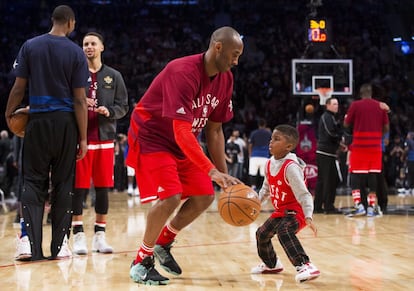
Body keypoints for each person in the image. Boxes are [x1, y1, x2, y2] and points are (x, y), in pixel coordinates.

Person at [126, 26, 243, 285]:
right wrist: (210, 169)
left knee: (204, 195)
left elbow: (214, 130)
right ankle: (141, 261)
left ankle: (163, 242)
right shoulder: (181, 71)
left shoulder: (226, 79)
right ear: (218, 47)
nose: (236, 62)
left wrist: (222, 178)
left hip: (183, 141)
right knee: (170, 196)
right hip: (152, 136)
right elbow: (181, 130)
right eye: (234, 55)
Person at [5, 5, 88, 260]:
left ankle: (30, 243)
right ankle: (60, 246)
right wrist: (83, 138)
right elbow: (80, 101)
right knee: (63, 183)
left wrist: (9, 115)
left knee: (32, 181)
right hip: (65, 125)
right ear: (71, 23)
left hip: (38, 122)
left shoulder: (30, 46)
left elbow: (19, 88)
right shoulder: (75, 52)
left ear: (53, 20)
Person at [71, 32, 129, 255]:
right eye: (85, 44)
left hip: (105, 139)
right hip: (80, 140)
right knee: (79, 189)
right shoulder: (75, 75)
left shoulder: (113, 76)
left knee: (103, 189)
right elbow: (67, 101)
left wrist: (111, 111)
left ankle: (99, 235)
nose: (89, 47)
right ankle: (77, 236)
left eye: (93, 43)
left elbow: (123, 105)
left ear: (102, 47)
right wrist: (79, 102)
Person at [250, 124, 320, 283]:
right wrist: (256, 203)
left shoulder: (291, 167)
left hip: (297, 212)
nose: (271, 142)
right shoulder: (269, 163)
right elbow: (266, 189)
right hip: (281, 211)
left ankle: (305, 265)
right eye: (271, 138)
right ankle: (272, 264)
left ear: (288, 146)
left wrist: (308, 216)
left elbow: (304, 194)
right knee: (261, 233)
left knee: (284, 231)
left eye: (276, 139)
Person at [344, 83, 389, 217]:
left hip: (359, 145)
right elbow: (386, 127)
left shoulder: (355, 105)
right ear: (371, 93)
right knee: (372, 175)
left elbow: (346, 124)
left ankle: (359, 206)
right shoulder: (380, 106)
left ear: (360, 93)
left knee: (355, 175)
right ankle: (371, 207)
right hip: (375, 146)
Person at [314, 97, 343, 214]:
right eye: (334, 104)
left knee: (324, 180)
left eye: (337, 104)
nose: (337, 106)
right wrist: (340, 139)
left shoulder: (331, 117)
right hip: (325, 153)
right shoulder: (327, 117)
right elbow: (331, 133)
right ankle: (328, 206)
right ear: (328, 105)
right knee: (330, 180)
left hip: (327, 153)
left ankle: (318, 206)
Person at [248, 118, 272, 190]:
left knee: (253, 173)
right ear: (265, 125)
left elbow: (250, 145)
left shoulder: (254, 133)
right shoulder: (269, 133)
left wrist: (250, 154)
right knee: (263, 174)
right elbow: (272, 144)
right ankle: (262, 188)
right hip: (265, 155)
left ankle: (253, 187)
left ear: (258, 125)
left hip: (254, 155)